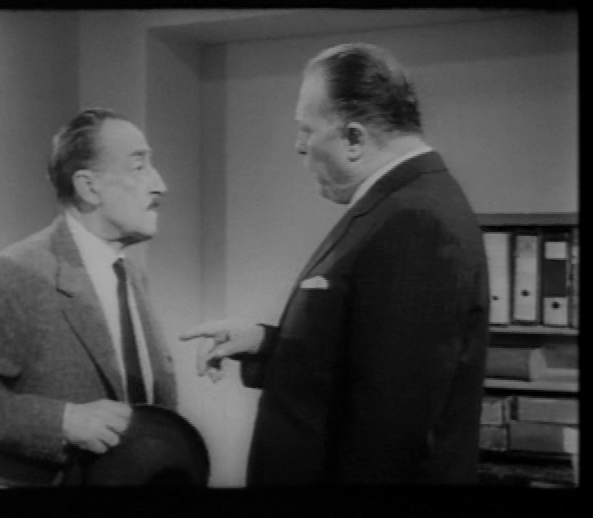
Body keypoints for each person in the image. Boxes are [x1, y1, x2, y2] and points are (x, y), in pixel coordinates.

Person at [181, 43, 489, 485]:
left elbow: (389, 433)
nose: (299, 146)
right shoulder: (400, 207)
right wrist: (265, 343)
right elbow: (362, 363)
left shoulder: (416, 221)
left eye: (306, 130)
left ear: (354, 139)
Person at [0, 107, 177, 487]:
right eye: (139, 166)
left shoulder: (131, 275)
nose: (160, 185)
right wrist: (65, 422)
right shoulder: (16, 274)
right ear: (89, 187)